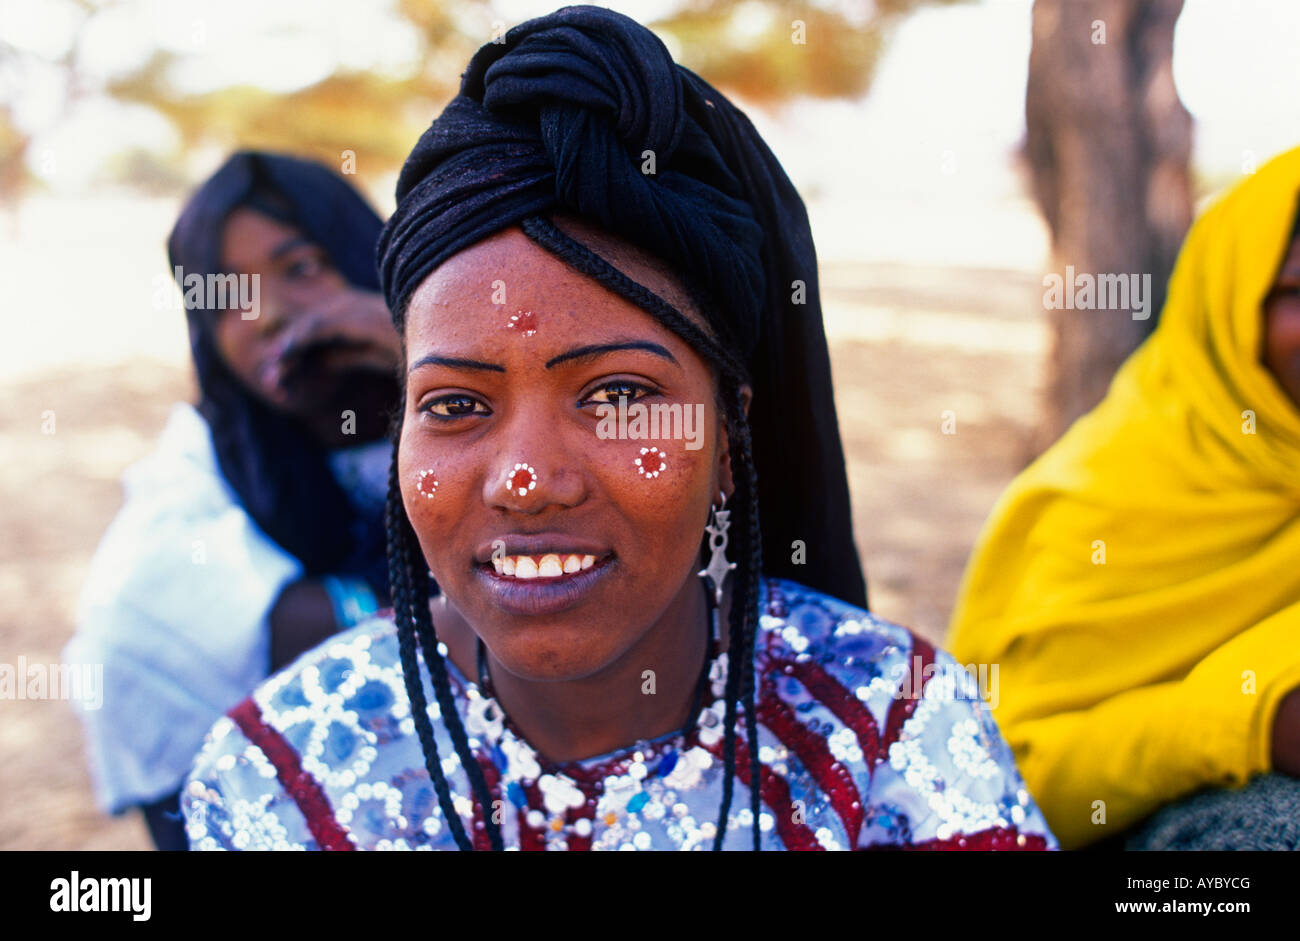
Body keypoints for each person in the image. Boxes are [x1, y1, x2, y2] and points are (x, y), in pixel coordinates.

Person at [181, 5, 1056, 851]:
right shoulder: (283, 777)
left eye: (620, 397)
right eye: (455, 405)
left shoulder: (887, 730)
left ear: (727, 439)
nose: (525, 479)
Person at [947, 145, 1300, 850]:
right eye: (1297, 293)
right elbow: (995, 781)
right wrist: (1243, 720)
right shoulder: (1099, 501)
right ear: (1227, 303)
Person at [66, 151, 401, 850]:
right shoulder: (211, 455)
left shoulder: (466, 402)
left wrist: (420, 347)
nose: (267, 316)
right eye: (226, 297)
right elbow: (134, 627)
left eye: (303, 267)